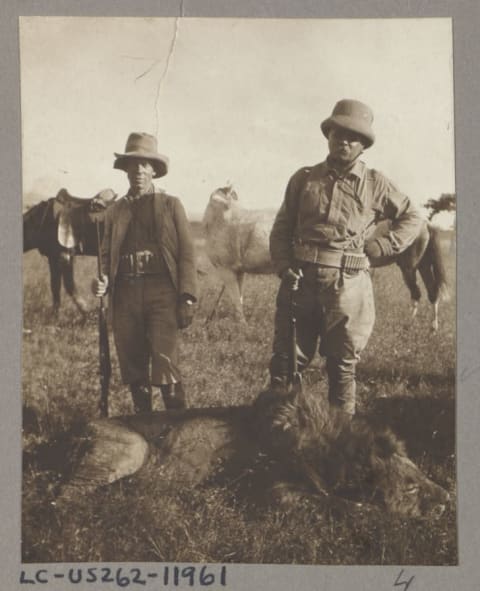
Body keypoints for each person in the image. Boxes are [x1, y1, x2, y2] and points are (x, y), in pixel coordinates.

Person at [269, 99, 423, 416]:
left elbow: (413, 217)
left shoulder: (375, 183)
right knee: (286, 363)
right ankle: (277, 438)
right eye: (338, 133)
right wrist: (284, 265)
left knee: (342, 364)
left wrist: (385, 245)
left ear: (363, 145)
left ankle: (339, 444)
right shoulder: (304, 178)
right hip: (300, 283)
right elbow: (282, 226)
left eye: (353, 137)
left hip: (347, 287)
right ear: (328, 135)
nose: (344, 141)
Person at [92, 132, 197, 413]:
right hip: (125, 294)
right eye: (133, 164)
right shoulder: (116, 211)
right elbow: (105, 255)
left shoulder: (170, 205)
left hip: (162, 292)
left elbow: (187, 253)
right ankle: (145, 430)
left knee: (166, 365)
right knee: (134, 367)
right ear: (125, 169)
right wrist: (102, 281)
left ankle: (178, 435)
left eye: (144, 164)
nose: (138, 170)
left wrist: (187, 296)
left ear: (154, 170)